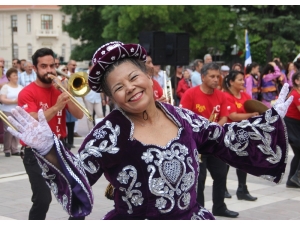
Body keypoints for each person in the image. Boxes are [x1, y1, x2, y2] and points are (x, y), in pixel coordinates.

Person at [7, 41, 292, 220]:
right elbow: (79, 176)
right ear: (110, 97)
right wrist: (49, 149)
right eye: (118, 87)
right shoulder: (109, 134)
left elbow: (224, 138)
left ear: (148, 75)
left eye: (133, 77)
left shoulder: (181, 117)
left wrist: (268, 121)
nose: (130, 88)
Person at [15, 47, 84, 220]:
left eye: (52, 66)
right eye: (44, 66)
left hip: (59, 148)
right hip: (35, 151)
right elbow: (33, 122)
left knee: (79, 194)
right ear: (36, 68)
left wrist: (67, 92)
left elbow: (79, 114)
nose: (49, 71)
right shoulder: (26, 92)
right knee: (43, 199)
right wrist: (57, 107)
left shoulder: (59, 88)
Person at [180, 62, 239, 218]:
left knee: (221, 174)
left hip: (214, 143)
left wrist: (214, 129)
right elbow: (184, 118)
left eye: (217, 77)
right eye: (212, 76)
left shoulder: (221, 95)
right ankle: (198, 210)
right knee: (199, 179)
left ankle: (219, 207)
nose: (215, 80)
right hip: (197, 144)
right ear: (202, 77)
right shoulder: (191, 94)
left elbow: (225, 117)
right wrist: (202, 131)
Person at [222, 70, 259, 201]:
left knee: (243, 161)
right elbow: (232, 116)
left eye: (243, 80)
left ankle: (242, 189)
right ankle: (222, 188)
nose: (243, 82)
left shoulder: (245, 96)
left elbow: (254, 108)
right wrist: (251, 115)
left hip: (244, 133)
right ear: (231, 82)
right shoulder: (226, 96)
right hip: (230, 132)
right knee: (226, 162)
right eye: (239, 80)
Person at [0, 68, 23, 157]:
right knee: (8, 129)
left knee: (16, 129)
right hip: (7, 111)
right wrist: (14, 101)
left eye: (16, 75)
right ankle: (7, 149)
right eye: (14, 75)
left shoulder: (20, 87)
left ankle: (14, 149)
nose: (16, 77)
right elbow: (2, 99)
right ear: (9, 77)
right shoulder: (5, 87)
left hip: (17, 111)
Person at [284, 71, 300, 188]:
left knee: (298, 154)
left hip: (295, 126)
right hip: (291, 126)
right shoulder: (295, 94)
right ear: (296, 81)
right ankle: (296, 177)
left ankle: (291, 180)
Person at [84, 61, 103, 130]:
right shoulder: (85, 75)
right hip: (88, 97)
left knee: (100, 114)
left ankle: (100, 129)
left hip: (97, 97)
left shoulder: (98, 73)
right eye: (93, 66)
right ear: (89, 67)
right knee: (90, 115)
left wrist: (103, 99)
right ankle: (91, 131)